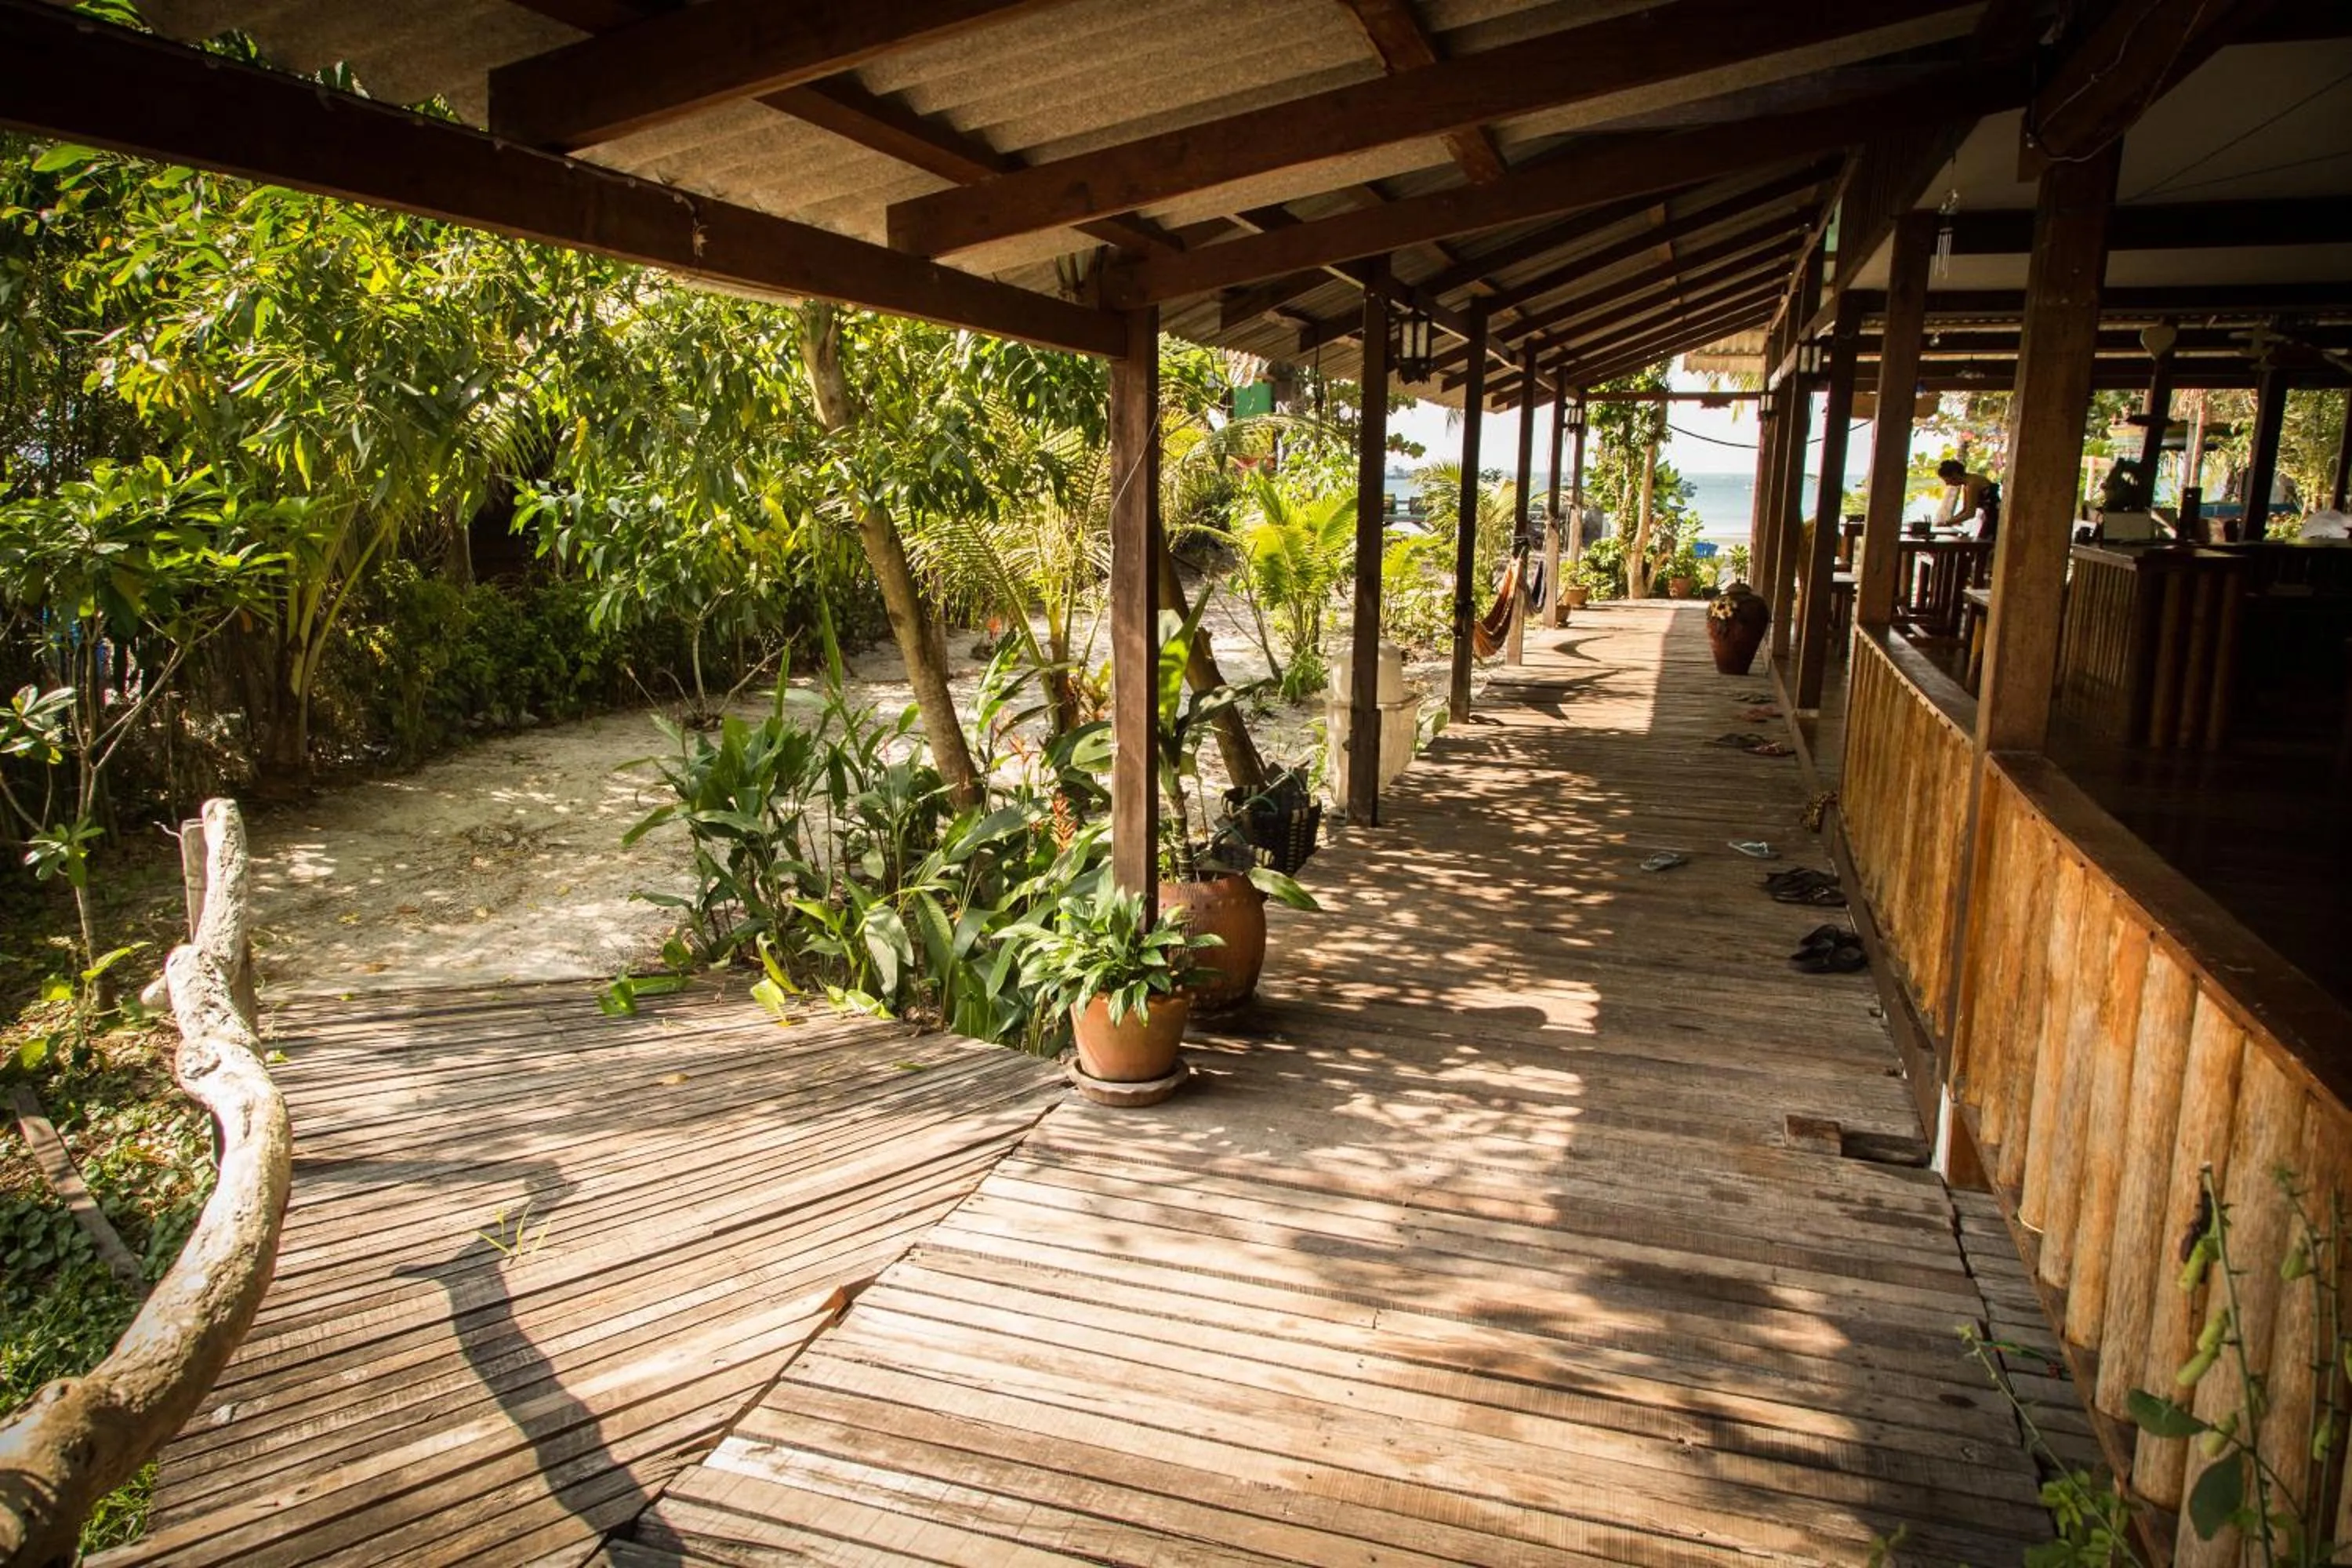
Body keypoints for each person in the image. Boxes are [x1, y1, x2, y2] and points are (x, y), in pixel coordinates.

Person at [1936, 459, 2002, 542]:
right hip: (1990, 517)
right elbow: (1965, 510)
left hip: (1996, 518)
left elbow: (1970, 514)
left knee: (1983, 546)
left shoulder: (1972, 484)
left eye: (1947, 480)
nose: (1947, 484)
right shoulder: (1969, 482)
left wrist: (1947, 523)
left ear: (1955, 475)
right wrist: (1948, 522)